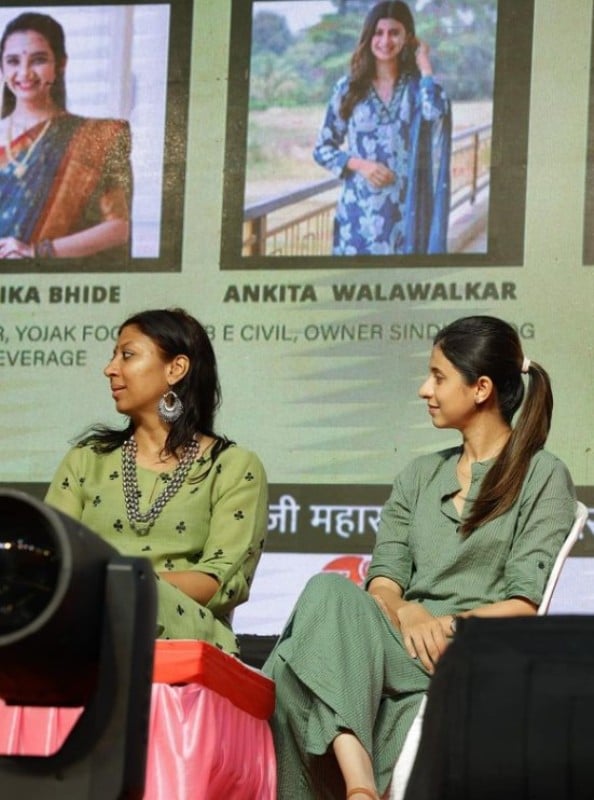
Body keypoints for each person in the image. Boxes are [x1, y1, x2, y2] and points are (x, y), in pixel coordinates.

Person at [263, 315, 576, 800]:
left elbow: (523, 606)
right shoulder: (418, 475)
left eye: (438, 376)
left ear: (482, 389)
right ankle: (361, 787)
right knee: (327, 591)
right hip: (398, 644)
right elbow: (383, 583)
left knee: (291, 666)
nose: (423, 390)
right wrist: (411, 613)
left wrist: (444, 626)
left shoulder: (542, 476)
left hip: (470, 651)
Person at [45, 308, 268, 654]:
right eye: (113, 356)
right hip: (83, 627)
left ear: (175, 368)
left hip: (184, 638)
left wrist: (125, 586)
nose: (110, 369)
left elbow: (221, 581)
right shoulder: (87, 460)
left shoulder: (232, 466)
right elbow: (52, 559)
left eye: (127, 355)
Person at [313, 1, 451, 256]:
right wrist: (361, 165)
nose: (385, 41)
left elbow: (435, 113)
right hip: (358, 221)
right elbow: (322, 149)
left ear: (408, 37)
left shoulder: (418, 88)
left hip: (407, 220)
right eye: (379, 32)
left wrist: (425, 65)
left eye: (394, 32)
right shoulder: (348, 89)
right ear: (368, 37)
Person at [0, 12, 132, 263]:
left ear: (61, 64)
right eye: (13, 61)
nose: (25, 73)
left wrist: (37, 251)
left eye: (38, 60)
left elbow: (117, 228)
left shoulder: (95, 138)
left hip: (56, 281)